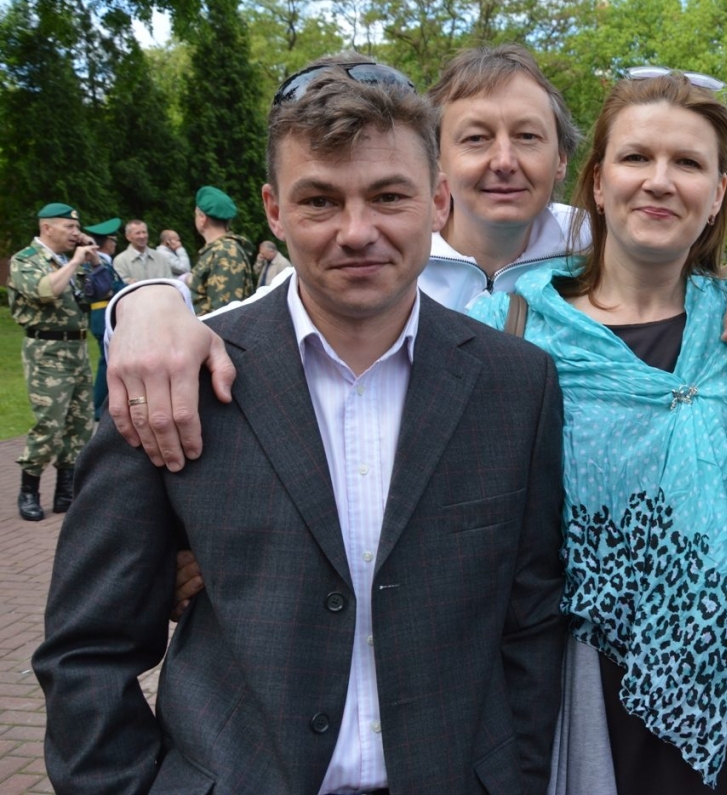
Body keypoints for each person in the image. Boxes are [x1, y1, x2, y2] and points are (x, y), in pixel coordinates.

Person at [34, 60, 567, 794]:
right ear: (274, 210)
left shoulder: (517, 385)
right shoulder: (178, 380)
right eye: (319, 200)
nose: (357, 231)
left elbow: (530, 623)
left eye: (389, 196)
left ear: (438, 201)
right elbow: (87, 649)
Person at [101, 44, 727, 472]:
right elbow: (260, 320)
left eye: (528, 137)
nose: (503, 161)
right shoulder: (380, 260)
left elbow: (680, 257)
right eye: (476, 138)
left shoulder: (591, 244)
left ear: (563, 161)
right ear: (438, 169)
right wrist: (145, 302)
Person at [469, 70, 727, 794]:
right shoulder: (509, 331)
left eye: (688, 163)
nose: (659, 181)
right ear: (596, 181)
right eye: (636, 157)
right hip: (578, 685)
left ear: (717, 192)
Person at [7, 203, 98, 521]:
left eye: (77, 227)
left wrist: (94, 260)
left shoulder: (70, 260)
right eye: (69, 227)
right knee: (50, 424)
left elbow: (101, 292)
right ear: (47, 228)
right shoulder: (26, 260)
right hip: (47, 351)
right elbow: (45, 291)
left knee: (80, 425)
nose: (76, 233)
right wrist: (75, 261)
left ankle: (66, 492)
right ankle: (28, 490)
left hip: (77, 350)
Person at [81, 218, 128, 421]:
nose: (114, 244)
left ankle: (102, 404)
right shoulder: (96, 262)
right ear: (106, 242)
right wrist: (127, 287)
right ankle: (98, 406)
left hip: (106, 314)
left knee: (108, 360)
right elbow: (108, 287)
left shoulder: (104, 261)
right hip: (102, 314)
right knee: (106, 362)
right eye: (113, 240)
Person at [185, 185, 256, 313]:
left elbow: (224, 314)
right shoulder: (218, 250)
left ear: (202, 219)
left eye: (196, 214)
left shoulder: (226, 252)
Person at [112, 219, 172, 284]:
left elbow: (170, 282)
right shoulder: (120, 261)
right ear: (128, 237)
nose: (142, 236)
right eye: (138, 233)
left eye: (144, 232)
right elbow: (120, 286)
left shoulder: (160, 258)